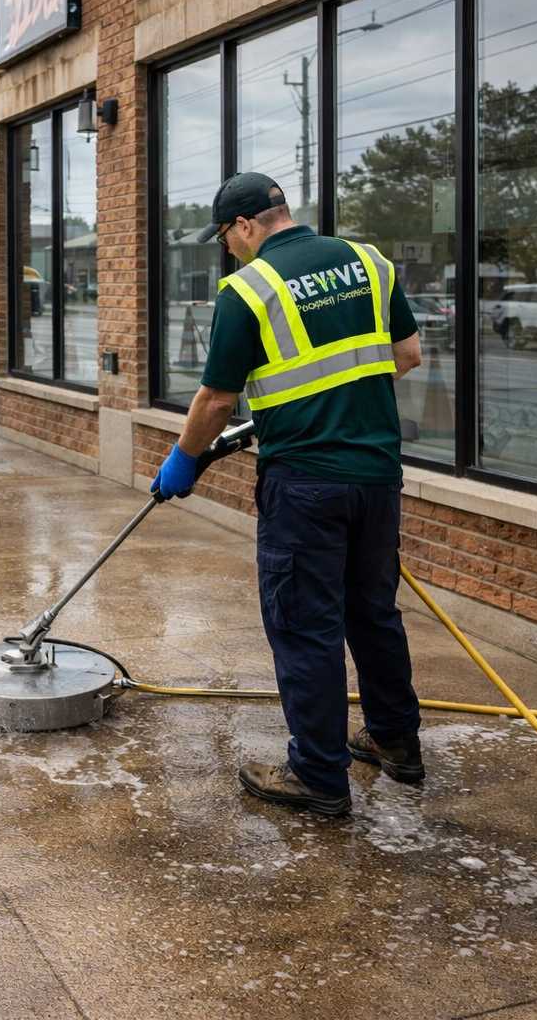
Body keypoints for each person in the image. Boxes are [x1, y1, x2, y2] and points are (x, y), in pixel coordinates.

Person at [150, 172, 425, 818]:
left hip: (305, 484)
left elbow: (217, 398)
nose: (230, 252)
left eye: (227, 239)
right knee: (373, 611)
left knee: (306, 626)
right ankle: (396, 741)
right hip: (378, 477)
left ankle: (319, 775)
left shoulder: (250, 288)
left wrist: (184, 459)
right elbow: (405, 354)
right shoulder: (369, 262)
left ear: (245, 226)